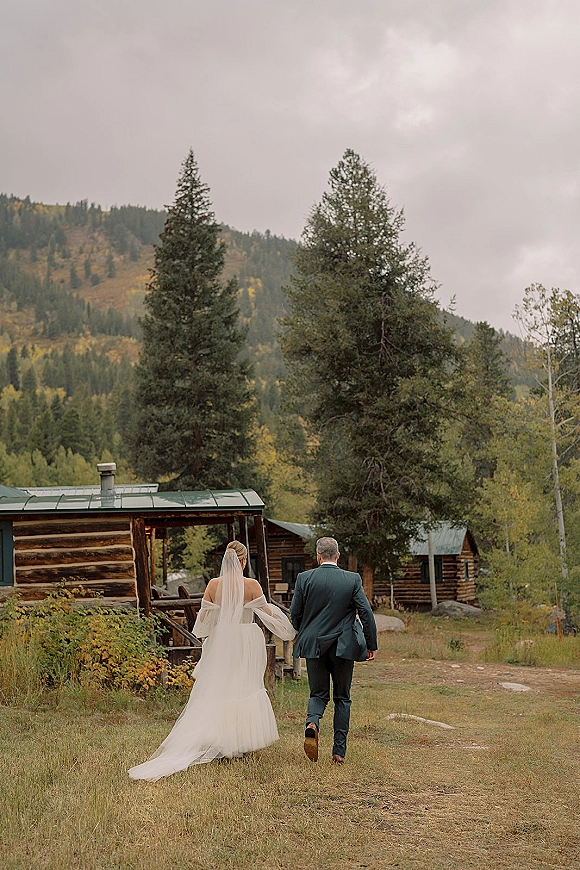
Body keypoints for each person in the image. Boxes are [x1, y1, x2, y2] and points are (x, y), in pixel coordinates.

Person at [128, 540, 295, 781]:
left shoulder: (214, 585)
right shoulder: (252, 585)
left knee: (222, 688)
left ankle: (222, 741)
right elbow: (267, 616)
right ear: (243, 560)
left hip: (221, 640)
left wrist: (217, 632)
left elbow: (203, 623)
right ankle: (240, 742)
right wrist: (288, 629)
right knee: (245, 686)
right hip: (246, 639)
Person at [290, 536, 377, 765]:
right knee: (342, 697)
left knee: (318, 694)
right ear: (338, 555)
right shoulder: (352, 579)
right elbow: (365, 613)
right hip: (343, 646)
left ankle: (312, 722)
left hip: (314, 645)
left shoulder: (304, 578)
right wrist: (371, 644)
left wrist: (306, 630)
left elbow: (295, 613)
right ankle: (338, 752)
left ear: (318, 556)